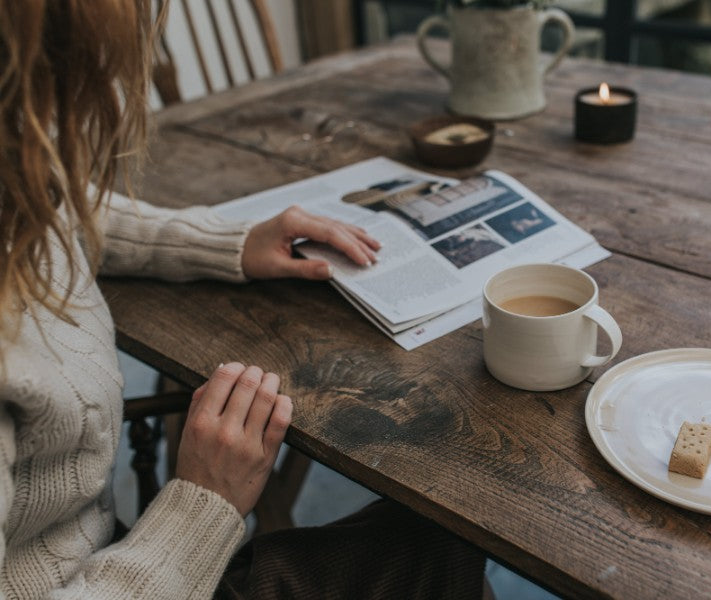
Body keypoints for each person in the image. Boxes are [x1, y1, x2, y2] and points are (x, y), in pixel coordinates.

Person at [0, 1, 486, 598]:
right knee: (437, 544)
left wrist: (226, 242)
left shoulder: (15, 175)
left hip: (95, 546)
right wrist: (202, 509)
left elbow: (42, 204)